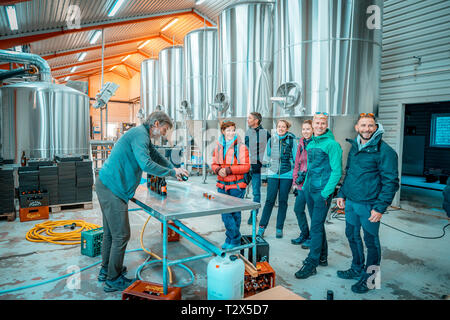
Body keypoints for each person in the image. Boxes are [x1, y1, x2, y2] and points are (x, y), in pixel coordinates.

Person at [96, 111, 189, 292]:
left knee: (111, 233)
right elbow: (146, 164)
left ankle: (106, 271)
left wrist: (174, 168)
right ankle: (112, 280)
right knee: (121, 235)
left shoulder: (142, 135)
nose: (163, 134)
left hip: (108, 184)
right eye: (163, 130)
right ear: (155, 124)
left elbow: (155, 156)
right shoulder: (140, 135)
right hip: (112, 188)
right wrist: (171, 173)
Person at [336, 113, 399, 294]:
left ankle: (371, 279)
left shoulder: (385, 151)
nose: (367, 129)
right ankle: (357, 268)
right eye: (363, 125)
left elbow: (391, 182)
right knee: (351, 235)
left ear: (376, 127)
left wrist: (380, 207)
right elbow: (350, 173)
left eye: (370, 125)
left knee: (371, 241)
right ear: (357, 127)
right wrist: (342, 193)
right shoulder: (355, 147)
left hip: (370, 205)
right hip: (351, 203)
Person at [295, 112, 342, 279]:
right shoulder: (311, 143)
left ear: (326, 124)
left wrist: (325, 193)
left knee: (315, 226)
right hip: (309, 190)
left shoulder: (332, 145)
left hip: (322, 193)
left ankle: (312, 263)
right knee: (318, 225)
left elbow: (337, 172)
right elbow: (309, 168)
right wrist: (304, 186)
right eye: (317, 123)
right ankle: (322, 257)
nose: (320, 126)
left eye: (323, 123)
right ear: (313, 124)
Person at [211, 120, 251, 249]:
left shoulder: (241, 147)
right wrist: (218, 170)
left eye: (233, 130)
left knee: (235, 213)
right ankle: (233, 238)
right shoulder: (218, 147)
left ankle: (233, 240)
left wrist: (229, 170)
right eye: (228, 130)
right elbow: (214, 164)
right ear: (223, 131)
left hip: (236, 186)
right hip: (222, 185)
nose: (231, 132)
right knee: (225, 213)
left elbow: (246, 167)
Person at [257, 119, 297, 239]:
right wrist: (264, 176)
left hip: (287, 175)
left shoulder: (292, 141)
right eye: (279, 126)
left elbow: (296, 159)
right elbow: (266, 157)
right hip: (272, 174)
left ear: (287, 128)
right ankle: (262, 228)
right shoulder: (271, 140)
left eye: (283, 127)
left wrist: (295, 177)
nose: (280, 128)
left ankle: (279, 228)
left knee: (283, 202)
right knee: (269, 201)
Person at [245, 112, 271, 225]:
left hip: (257, 169)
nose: (248, 120)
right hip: (246, 167)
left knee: (256, 193)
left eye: (250, 118)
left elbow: (268, 152)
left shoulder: (265, 134)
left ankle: (253, 215)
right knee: (239, 191)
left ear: (256, 120)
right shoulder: (248, 132)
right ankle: (235, 212)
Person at [291, 120, 313, 245]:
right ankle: (304, 234)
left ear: (313, 130)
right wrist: (295, 181)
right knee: (298, 209)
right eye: (304, 129)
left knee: (312, 213)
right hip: (300, 183)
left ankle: (312, 238)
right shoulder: (301, 143)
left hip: (311, 184)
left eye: (308, 129)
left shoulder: (315, 144)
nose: (305, 131)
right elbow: (297, 164)